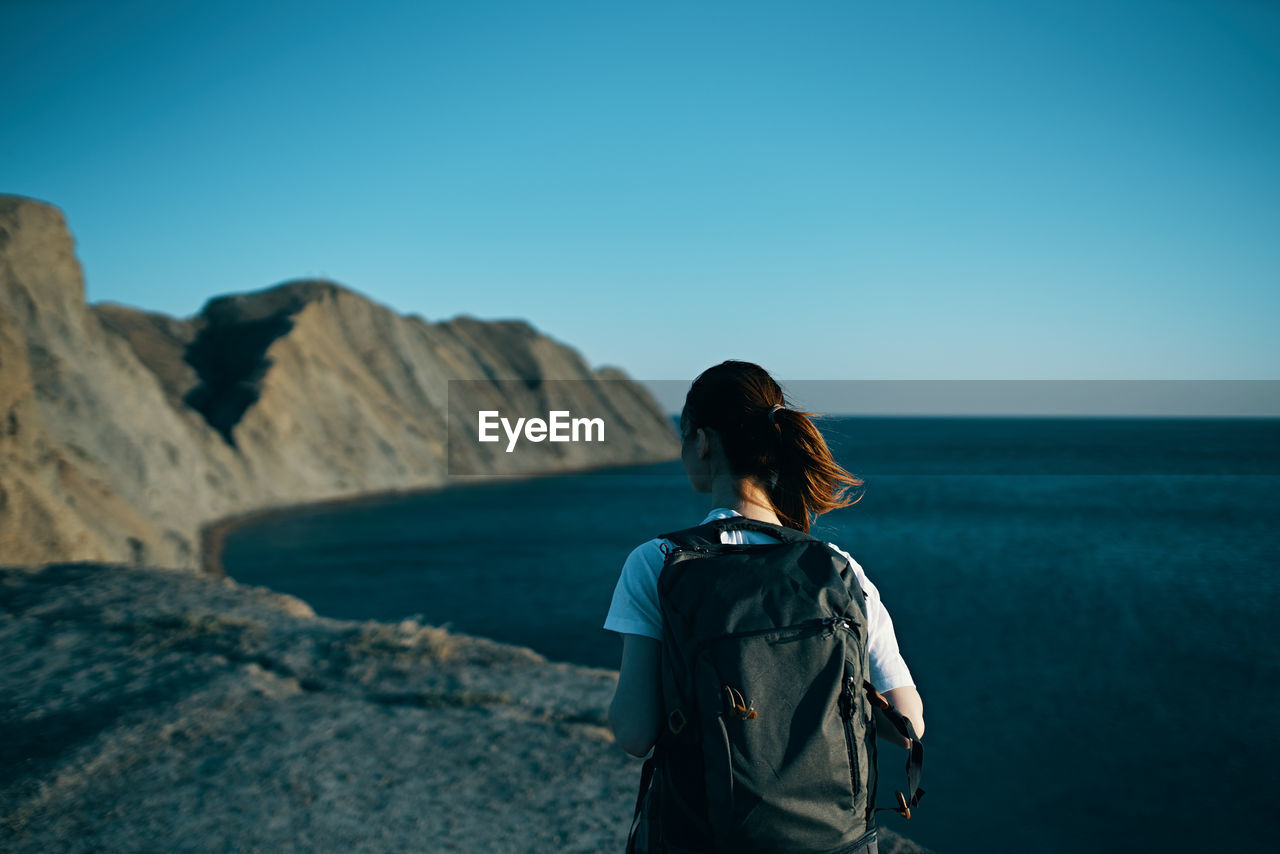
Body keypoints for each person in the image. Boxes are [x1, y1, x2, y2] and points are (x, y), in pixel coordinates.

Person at [603, 360, 925, 846]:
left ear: (703, 442)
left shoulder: (660, 562)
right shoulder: (840, 569)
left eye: (684, 436)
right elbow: (908, 726)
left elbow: (634, 733)